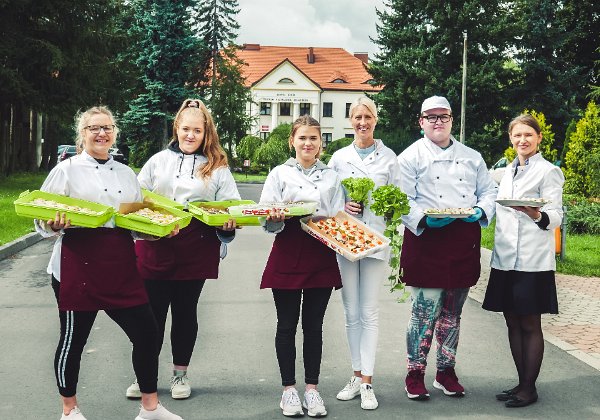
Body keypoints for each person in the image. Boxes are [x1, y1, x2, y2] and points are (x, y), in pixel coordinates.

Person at [34, 106, 182, 420]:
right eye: (94, 128)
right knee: (74, 339)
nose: (102, 133)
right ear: (82, 134)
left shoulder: (126, 174)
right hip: (77, 266)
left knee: (147, 333)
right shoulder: (67, 170)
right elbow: (42, 218)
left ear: (115, 132)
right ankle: (69, 410)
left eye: (108, 127)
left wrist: (160, 231)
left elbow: (134, 225)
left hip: (120, 267)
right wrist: (55, 224)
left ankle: (150, 408)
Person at [125, 99, 240, 400]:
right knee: (150, 316)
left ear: (206, 133)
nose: (191, 135)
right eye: (186, 129)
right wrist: (146, 225)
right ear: (177, 128)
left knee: (185, 313)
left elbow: (230, 206)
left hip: (196, 246)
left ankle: (180, 375)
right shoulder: (157, 161)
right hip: (156, 244)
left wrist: (227, 225)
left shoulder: (217, 167)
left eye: (197, 130)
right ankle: (144, 375)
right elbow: (137, 200)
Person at [397, 96, 497, 401]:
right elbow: (401, 198)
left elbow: (489, 191)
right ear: (421, 122)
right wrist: (424, 219)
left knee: (453, 314)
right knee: (423, 313)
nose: (438, 121)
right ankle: (415, 373)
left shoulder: (472, 157)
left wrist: (481, 210)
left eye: (444, 116)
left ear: (452, 120)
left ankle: (445, 371)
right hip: (426, 238)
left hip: (462, 239)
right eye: (432, 117)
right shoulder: (409, 157)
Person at [260, 115, 344, 417]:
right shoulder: (279, 174)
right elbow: (265, 218)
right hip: (288, 247)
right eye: (302, 138)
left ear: (321, 142)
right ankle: (289, 391)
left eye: (313, 138)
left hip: (320, 252)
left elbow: (337, 216)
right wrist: (275, 219)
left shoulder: (332, 177)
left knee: (314, 327)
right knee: (286, 325)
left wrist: (329, 222)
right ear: (292, 141)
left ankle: (312, 390)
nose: (308, 143)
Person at [482, 114, 564, 408]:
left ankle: (529, 388)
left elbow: (556, 216)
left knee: (530, 323)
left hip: (532, 260)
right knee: (512, 321)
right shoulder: (504, 173)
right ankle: (521, 382)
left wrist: (534, 213)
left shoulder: (549, 172)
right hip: (505, 259)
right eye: (517, 135)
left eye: (528, 134)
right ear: (511, 139)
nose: (522, 140)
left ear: (539, 137)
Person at [328, 96, 401, 410]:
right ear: (350, 121)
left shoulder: (389, 158)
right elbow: (328, 200)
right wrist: (342, 206)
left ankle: (368, 381)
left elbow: (399, 201)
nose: (362, 123)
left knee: (369, 311)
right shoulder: (339, 157)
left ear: (375, 120)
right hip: (346, 238)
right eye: (357, 117)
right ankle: (355, 376)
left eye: (367, 117)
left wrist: (389, 210)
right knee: (351, 312)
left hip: (375, 240)